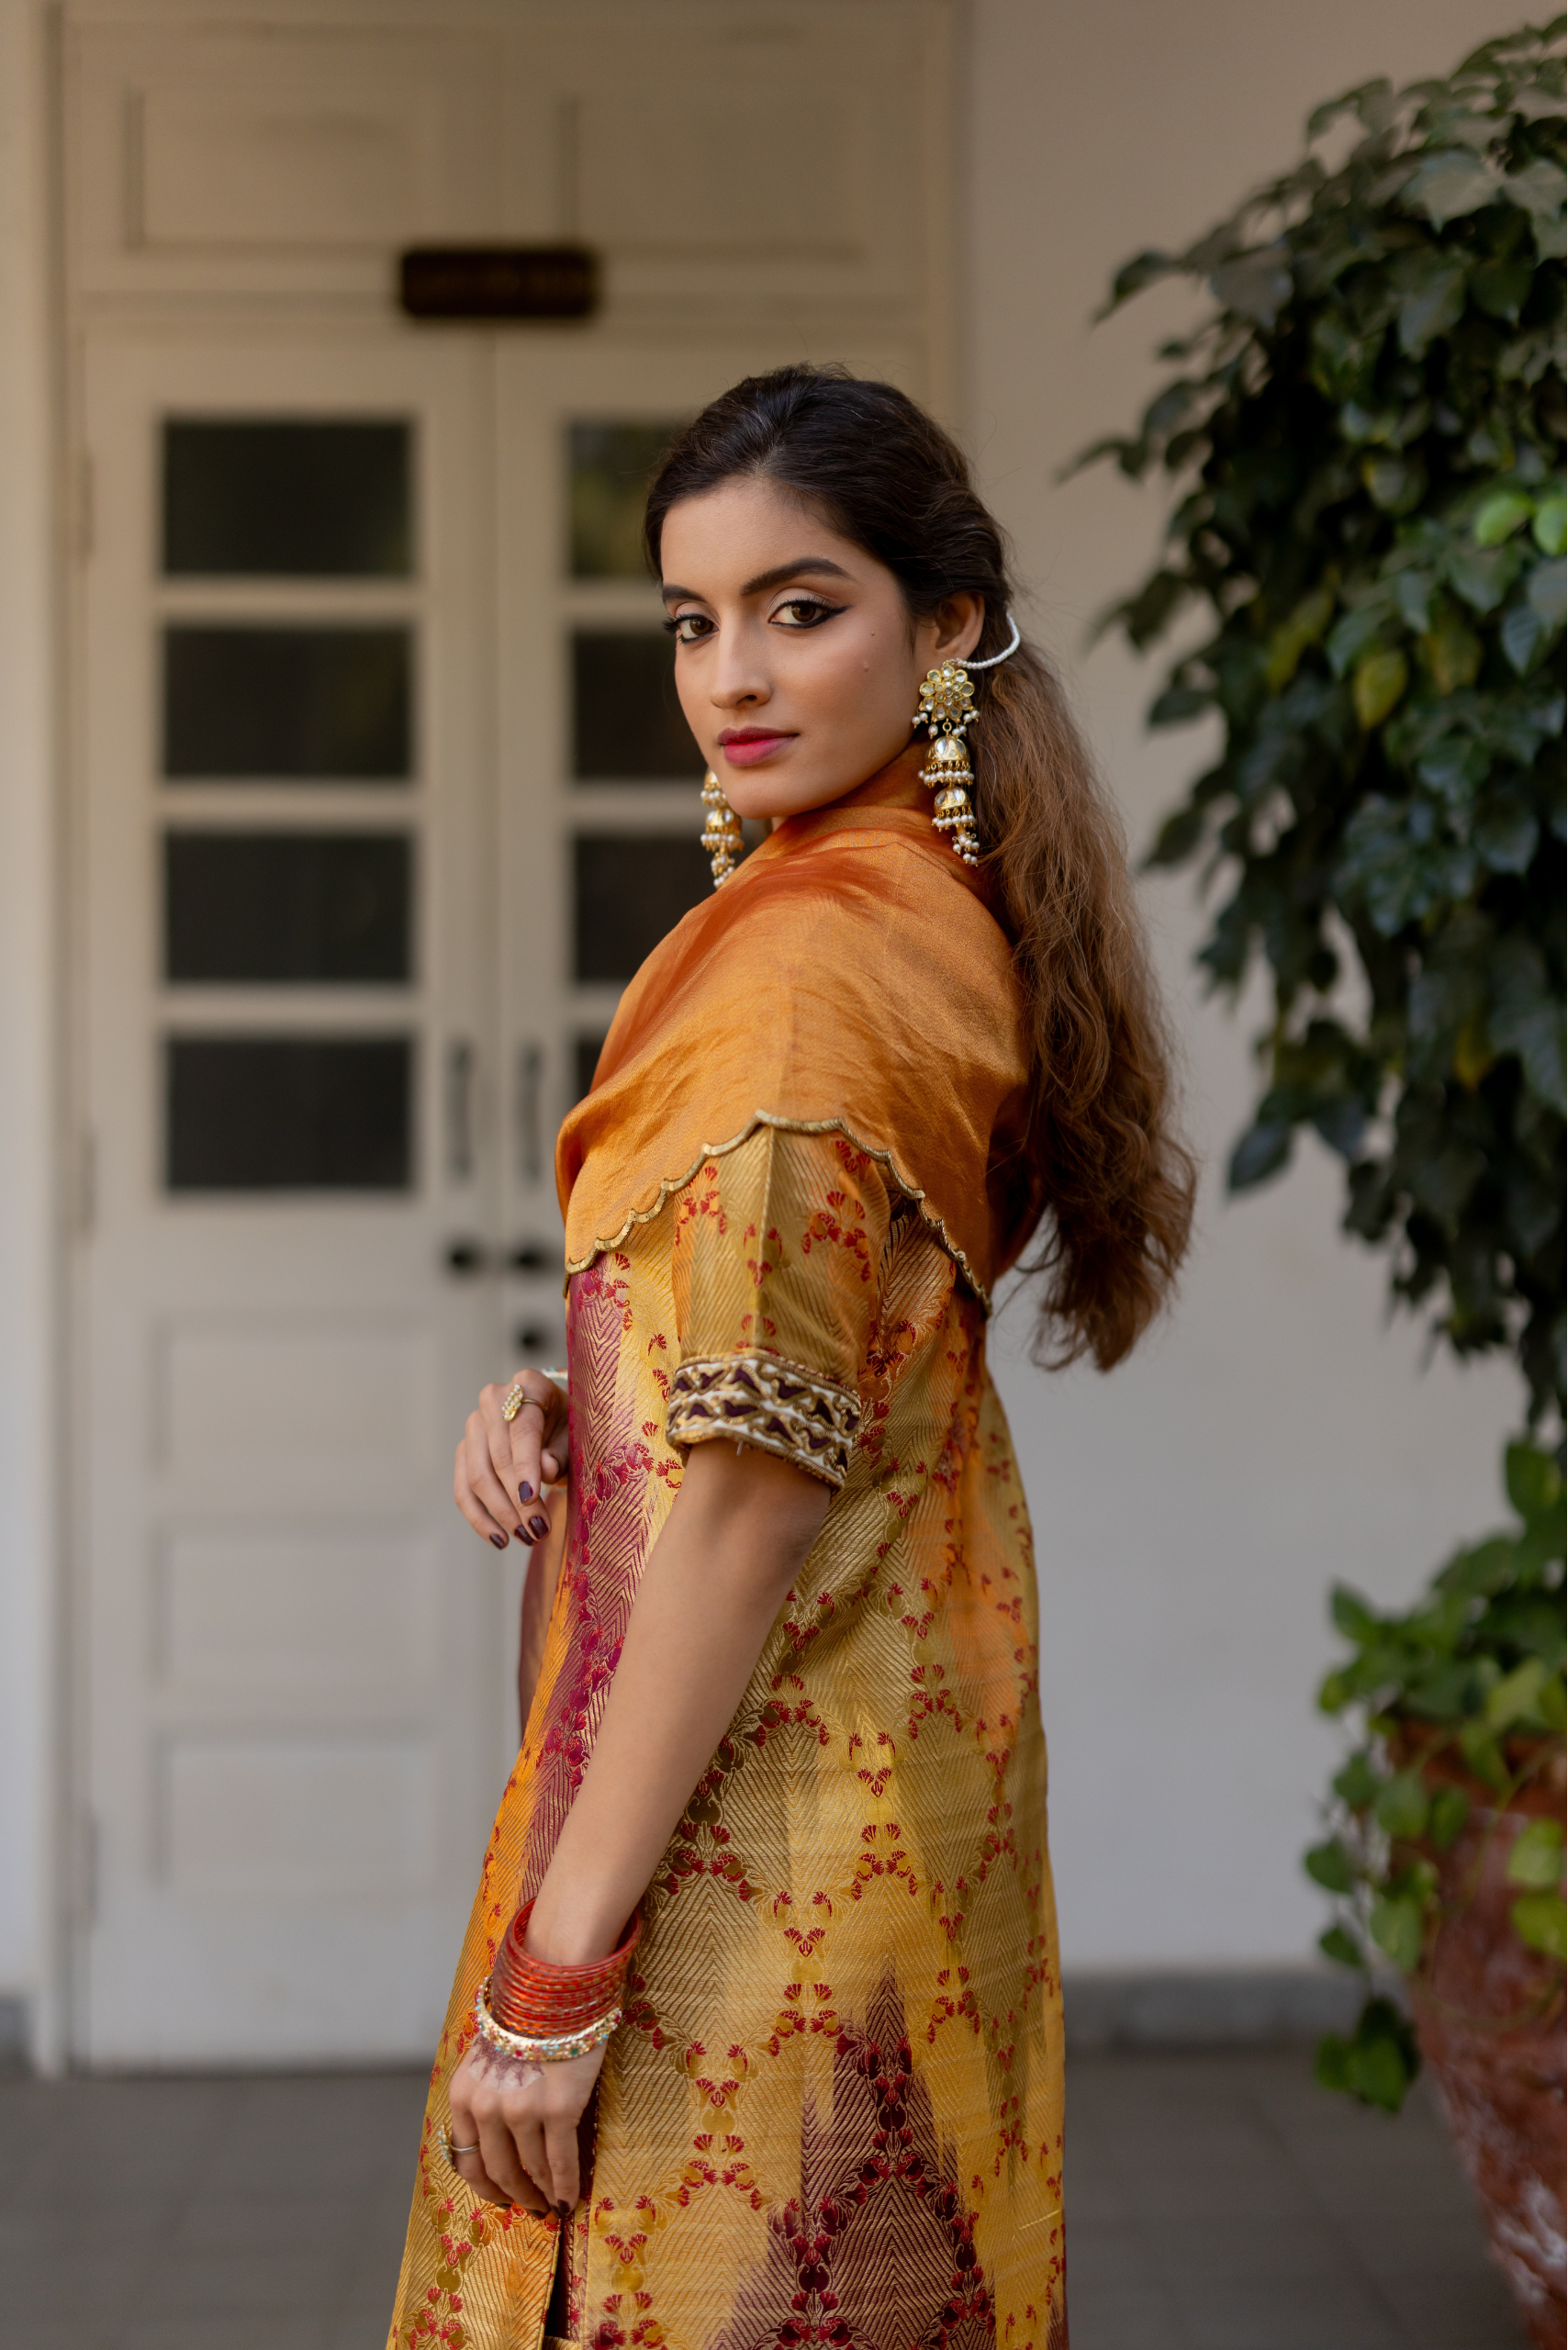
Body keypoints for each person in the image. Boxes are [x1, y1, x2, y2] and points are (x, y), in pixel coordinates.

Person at [386, 365, 1193, 2350]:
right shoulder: (920, 915)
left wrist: (553, 1976)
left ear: (943, 625)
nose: (730, 675)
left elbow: (748, 1498)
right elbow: (816, 1364)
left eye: (798, 607)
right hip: (903, 1797)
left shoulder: (812, 969)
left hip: (748, 1856)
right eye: (691, 620)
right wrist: (583, 1404)